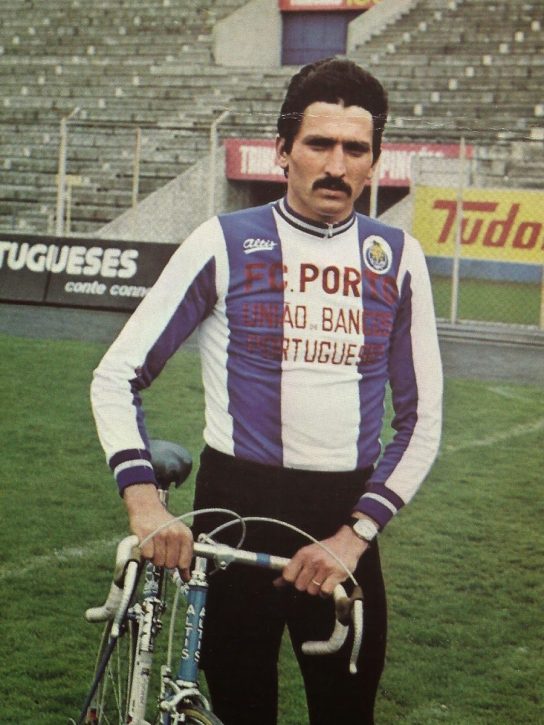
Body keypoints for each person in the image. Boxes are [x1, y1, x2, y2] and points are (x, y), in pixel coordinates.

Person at [91, 58, 443, 724]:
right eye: (319, 143)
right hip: (235, 511)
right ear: (282, 150)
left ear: (375, 162)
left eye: (355, 149)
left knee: (347, 714)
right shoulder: (222, 241)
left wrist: (354, 537)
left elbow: (422, 419)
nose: (336, 165)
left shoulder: (398, 257)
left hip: (343, 522)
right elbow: (116, 374)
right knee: (242, 710)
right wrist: (144, 502)